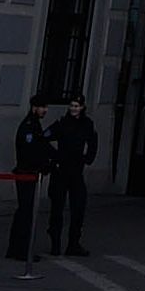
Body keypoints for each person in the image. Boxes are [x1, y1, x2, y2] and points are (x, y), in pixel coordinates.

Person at [44, 93, 97, 259]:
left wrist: (87, 158)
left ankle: (73, 243)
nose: (74, 109)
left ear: (82, 107)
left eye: (77, 106)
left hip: (76, 171)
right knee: (57, 209)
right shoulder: (62, 123)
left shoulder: (86, 124)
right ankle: (55, 243)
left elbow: (93, 141)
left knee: (78, 208)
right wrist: (55, 156)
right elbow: (45, 137)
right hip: (61, 171)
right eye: (72, 105)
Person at [7, 100, 53, 263]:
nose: (44, 110)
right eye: (42, 106)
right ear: (34, 107)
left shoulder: (34, 125)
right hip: (26, 173)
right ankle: (21, 249)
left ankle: (15, 248)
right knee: (26, 212)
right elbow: (31, 150)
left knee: (24, 211)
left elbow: (42, 145)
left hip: (30, 173)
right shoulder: (28, 126)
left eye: (45, 107)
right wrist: (44, 164)